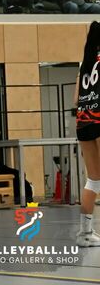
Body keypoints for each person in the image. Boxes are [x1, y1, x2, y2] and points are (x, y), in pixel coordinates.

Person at [74, 22, 100, 247]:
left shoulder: (85, 63)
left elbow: (75, 99)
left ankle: (85, 233)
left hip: (83, 122)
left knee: (94, 180)